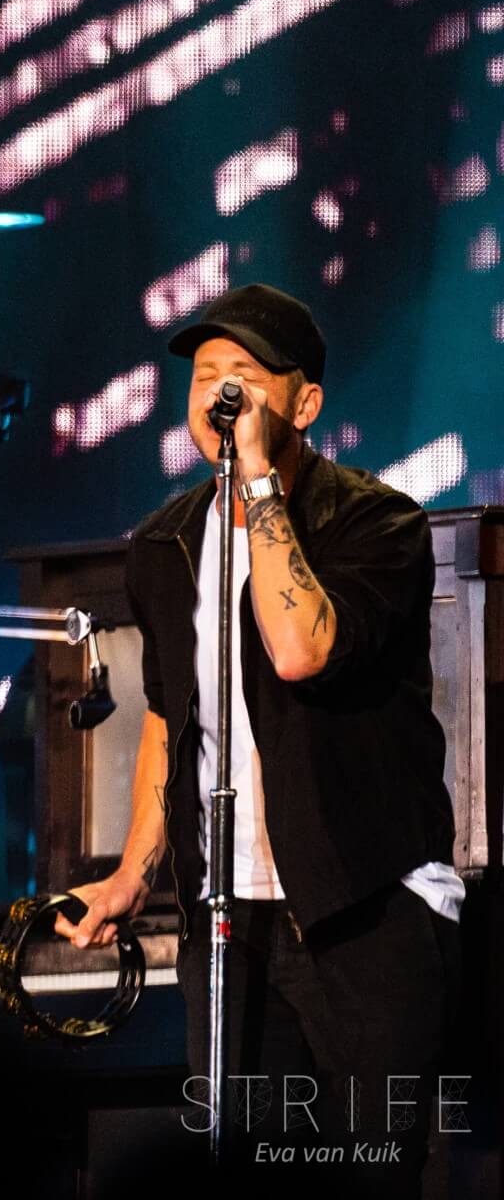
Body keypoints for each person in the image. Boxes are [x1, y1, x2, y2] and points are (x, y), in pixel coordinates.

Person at [56, 285, 462, 1190]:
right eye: (205, 377)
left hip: (364, 911)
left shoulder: (376, 522)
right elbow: (169, 716)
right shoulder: (163, 544)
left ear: (304, 403)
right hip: (229, 923)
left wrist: (261, 487)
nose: (220, 395)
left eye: (243, 376)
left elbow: (299, 647)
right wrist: (134, 872)